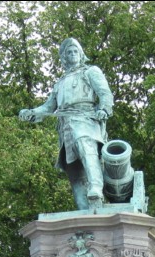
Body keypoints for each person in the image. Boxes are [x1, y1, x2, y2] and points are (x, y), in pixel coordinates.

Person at [19, 38, 113, 211]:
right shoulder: (60, 83)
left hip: (85, 119)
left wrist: (105, 109)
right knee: (74, 171)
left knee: (85, 145)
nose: (72, 54)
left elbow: (105, 93)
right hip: (66, 127)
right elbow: (49, 106)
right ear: (64, 57)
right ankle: (84, 210)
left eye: (75, 51)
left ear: (81, 53)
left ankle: (96, 188)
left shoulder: (90, 71)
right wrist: (32, 113)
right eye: (69, 52)